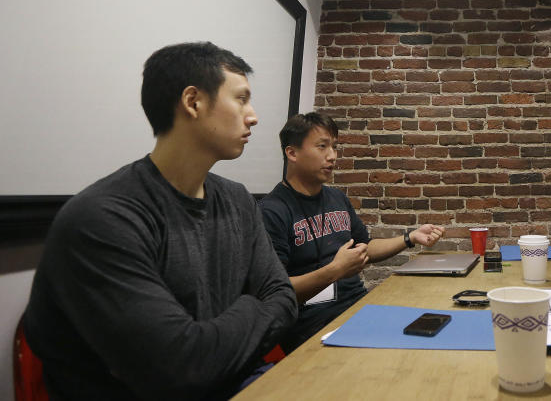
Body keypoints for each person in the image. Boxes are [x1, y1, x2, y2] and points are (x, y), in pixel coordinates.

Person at [24, 42, 297, 401]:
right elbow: (182, 369)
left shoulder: (237, 200)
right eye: (241, 99)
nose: (253, 116)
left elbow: (283, 298)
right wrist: (250, 305)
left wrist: (219, 334)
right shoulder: (102, 218)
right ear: (193, 102)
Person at [259, 112, 445, 351]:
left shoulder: (336, 197)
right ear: (292, 153)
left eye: (335, 147)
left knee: (428, 323)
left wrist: (409, 238)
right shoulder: (271, 212)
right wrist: (335, 270)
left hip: (358, 308)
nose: (332, 156)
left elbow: (365, 245)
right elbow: (277, 291)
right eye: (322, 147)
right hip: (314, 324)